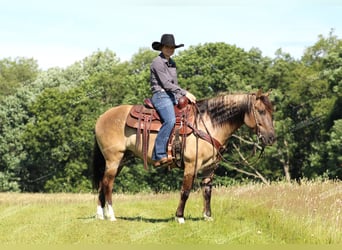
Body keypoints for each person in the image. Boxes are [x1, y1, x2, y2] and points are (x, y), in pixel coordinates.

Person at [150, 34, 196, 166]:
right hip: (161, 95)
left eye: (172, 47)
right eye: (167, 47)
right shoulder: (157, 63)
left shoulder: (172, 63)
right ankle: (158, 154)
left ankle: (180, 150)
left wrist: (180, 96)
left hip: (172, 95)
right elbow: (166, 84)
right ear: (162, 47)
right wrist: (185, 92)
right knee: (170, 120)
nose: (170, 49)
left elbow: (174, 83)